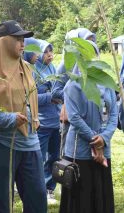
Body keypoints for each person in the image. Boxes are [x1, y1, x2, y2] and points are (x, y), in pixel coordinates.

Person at [0, 20, 47, 213]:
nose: (23, 43)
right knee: (2, 201)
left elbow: (30, 98)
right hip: (0, 143)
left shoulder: (26, 68)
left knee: (38, 198)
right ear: (3, 42)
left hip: (30, 142)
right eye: (17, 39)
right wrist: (8, 119)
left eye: (23, 39)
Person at [60, 41, 118, 213]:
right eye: (85, 54)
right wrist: (95, 139)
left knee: (101, 194)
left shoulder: (107, 84)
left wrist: (104, 138)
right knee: (81, 199)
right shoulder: (72, 86)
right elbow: (75, 118)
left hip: (103, 148)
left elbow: (113, 114)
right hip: (80, 152)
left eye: (94, 54)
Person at [52, 28, 95, 156]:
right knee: (69, 156)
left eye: (93, 42)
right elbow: (55, 91)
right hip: (72, 117)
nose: (91, 46)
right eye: (87, 43)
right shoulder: (66, 63)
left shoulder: (91, 63)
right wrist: (75, 96)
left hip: (89, 116)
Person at [32, 40, 63, 205]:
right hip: (41, 122)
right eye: (46, 52)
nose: (50, 55)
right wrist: (50, 97)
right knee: (39, 158)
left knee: (54, 157)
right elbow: (31, 99)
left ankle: (50, 189)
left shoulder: (53, 68)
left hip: (55, 121)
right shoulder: (32, 70)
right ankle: (40, 190)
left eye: (51, 52)